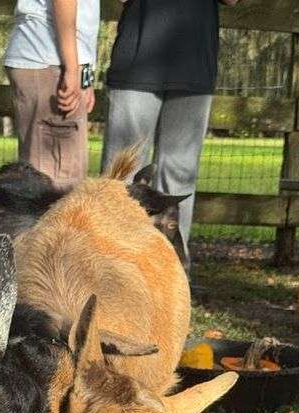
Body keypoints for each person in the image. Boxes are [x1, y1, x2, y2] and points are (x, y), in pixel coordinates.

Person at [101, 0, 241, 273]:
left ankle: (171, 277)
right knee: (120, 177)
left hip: (194, 64)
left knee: (179, 176)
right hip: (136, 62)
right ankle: (110, 270)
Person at [4, 1, 100, 190]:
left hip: (53, 60)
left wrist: (85, 77)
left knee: (49, 181)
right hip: (52, 62)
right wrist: (72, 70)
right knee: (58, 186)